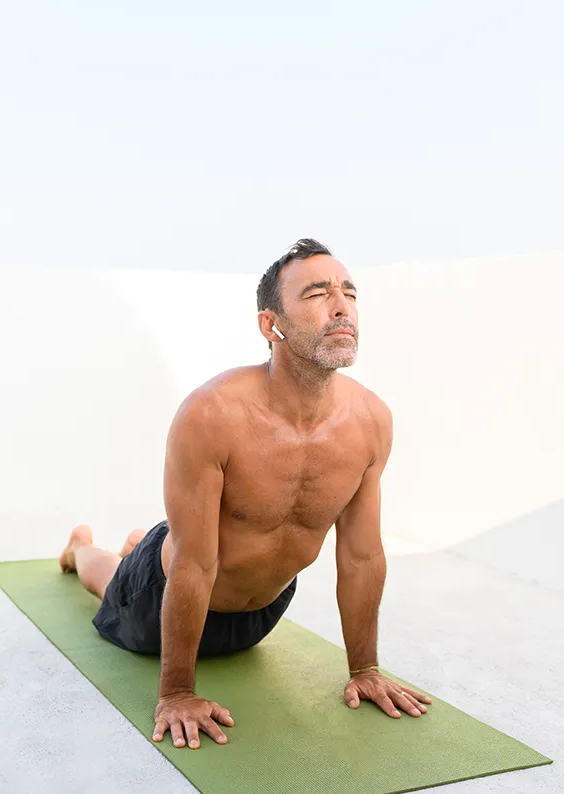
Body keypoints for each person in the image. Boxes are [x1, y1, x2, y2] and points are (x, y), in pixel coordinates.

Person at [59, 238, 432, 750]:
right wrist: (177, 693)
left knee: (187, 539)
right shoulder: (212, 413)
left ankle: (141, 539)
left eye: (348, 292)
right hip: (163, 595)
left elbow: (363, 556)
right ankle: (83, 547)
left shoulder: (371, 420)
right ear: (270, 325)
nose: (342, 305)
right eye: (317, 294)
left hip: (261, 615)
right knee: (108, 579)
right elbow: (193, 563)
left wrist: (364, 668)